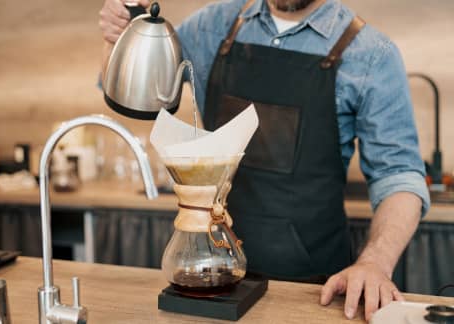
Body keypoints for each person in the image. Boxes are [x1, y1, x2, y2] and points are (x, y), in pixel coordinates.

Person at [99, 0, 430, 320]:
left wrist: (375, 263)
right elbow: (130, 92)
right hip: (212, 280)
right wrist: (121, 36)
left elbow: (400, 178)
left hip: (314, 292)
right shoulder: (212, 27)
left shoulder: (371, 55)